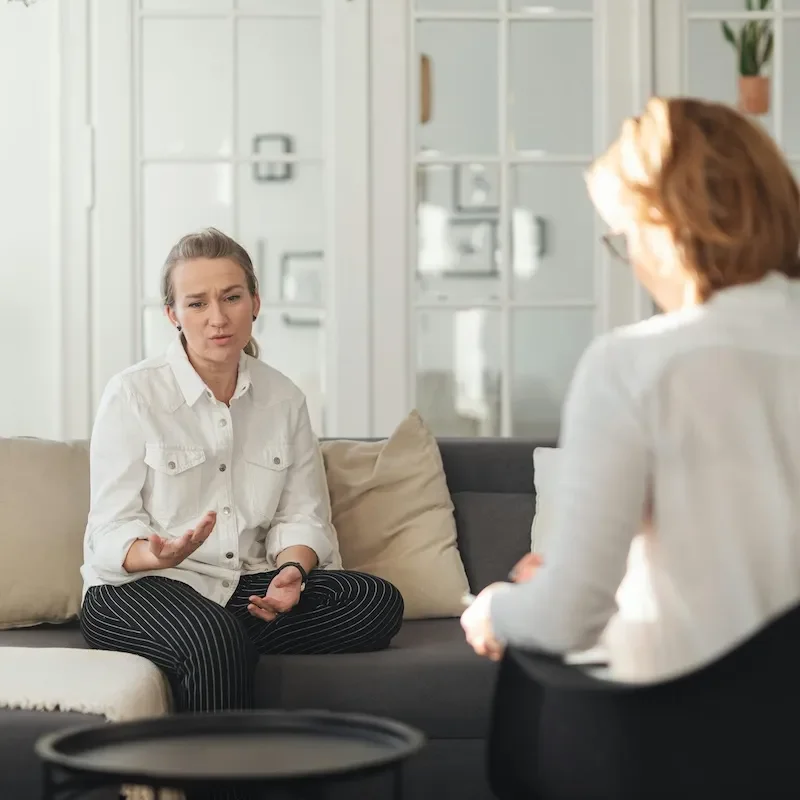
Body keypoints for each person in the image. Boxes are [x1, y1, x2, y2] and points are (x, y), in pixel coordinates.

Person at [462, 96, 800, 684]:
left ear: (667, 230)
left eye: (626, 237)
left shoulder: (635, 364)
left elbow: (570, 618)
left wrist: (496, 608)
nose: (636, 263)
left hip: (687, 733)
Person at [80, 227, 404, 713]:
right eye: (196, 303)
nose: (217, 318)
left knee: (374, 601)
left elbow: (303, 514)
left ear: (255, 301)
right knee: (215, 639)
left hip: (241, 587)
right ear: (173, 314)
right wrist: (158, 555)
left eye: (231, 297)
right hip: (138, 588)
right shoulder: (132, 395)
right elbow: (109, 530)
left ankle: (214, 647)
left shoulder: (284, 398)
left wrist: (292, 570)